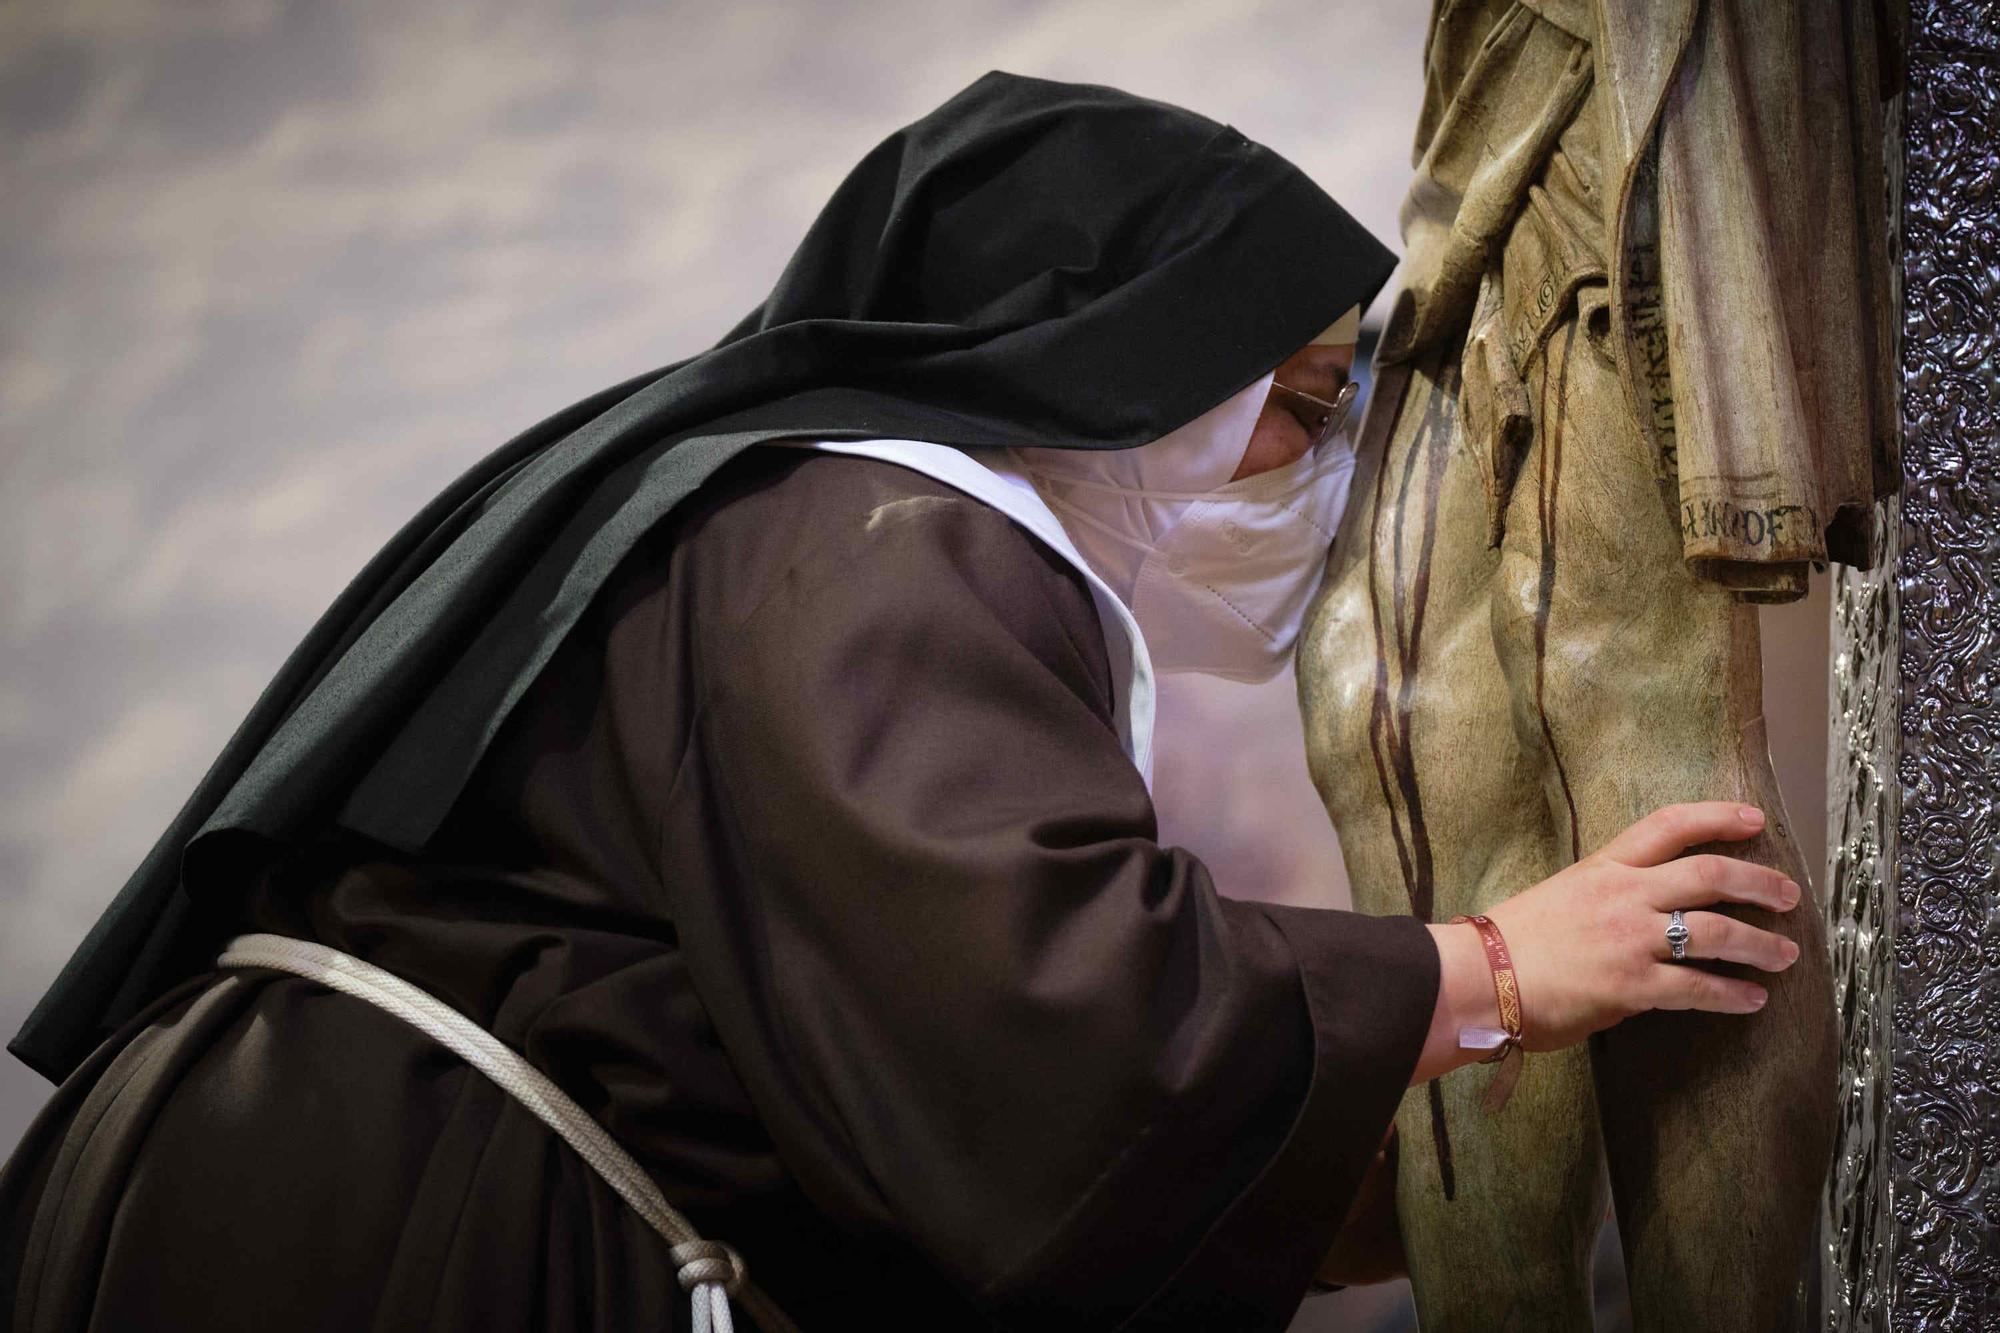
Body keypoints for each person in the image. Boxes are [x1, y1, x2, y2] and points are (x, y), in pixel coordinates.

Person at [0, 71, 1802, 1332]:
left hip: (303, 1191)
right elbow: (1041, 1017)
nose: (1307, 458)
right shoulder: (881, 532)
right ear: (1119, 356)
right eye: (1299, 394)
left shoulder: (810, 520)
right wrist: (1492, 969)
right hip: (404, 1235)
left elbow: (896, 1106)